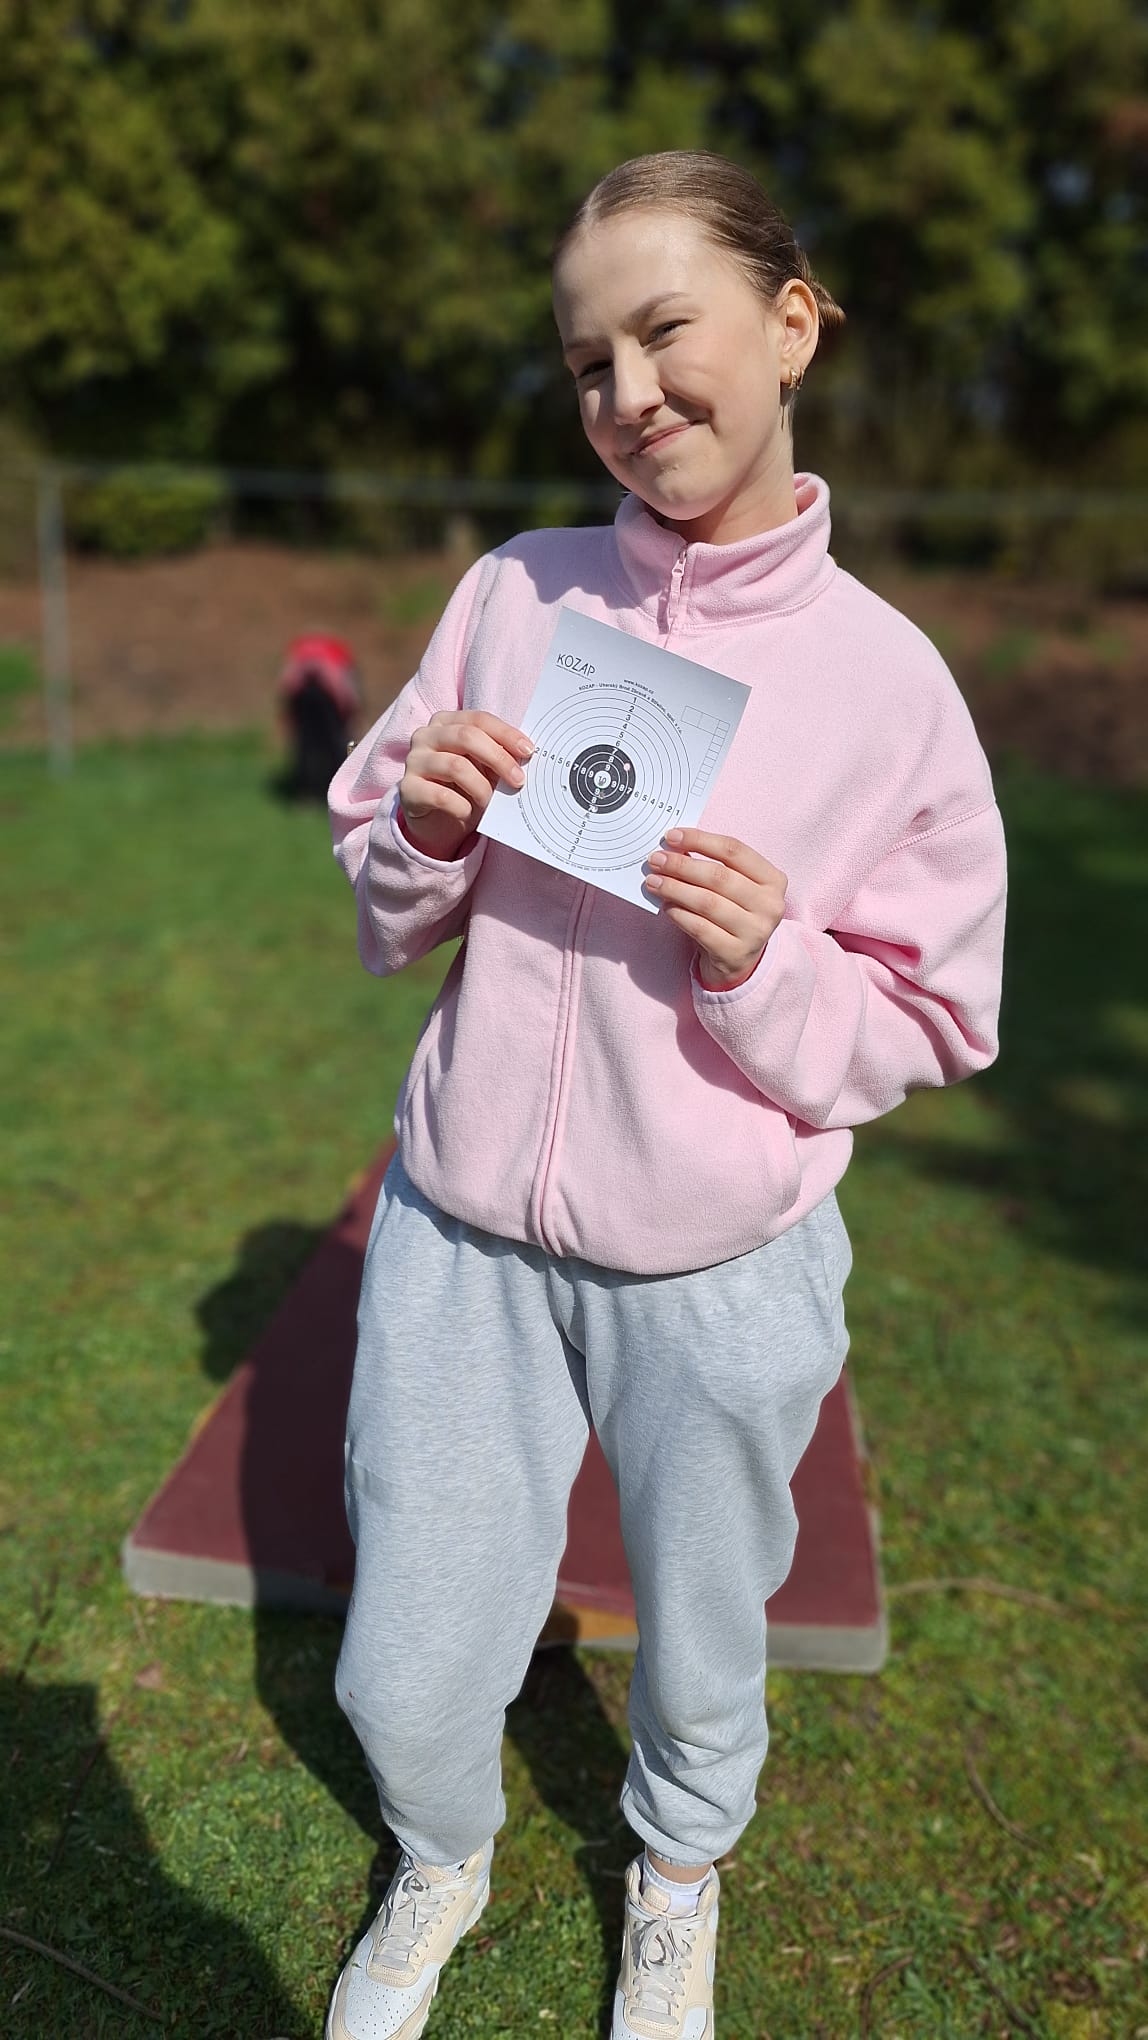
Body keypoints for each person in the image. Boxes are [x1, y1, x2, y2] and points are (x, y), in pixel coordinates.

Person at [323, 150, 1007, 2040]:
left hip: (721, 1269)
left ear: (791, 329)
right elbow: (378, 879)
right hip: (464, 1235)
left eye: (663, 331)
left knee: (708, 1630)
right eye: (584, 363)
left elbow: (936, 1012)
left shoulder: (891, 685)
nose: (626, 393)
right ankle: (439, 1853)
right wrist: (425, 830)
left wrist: (768, 963)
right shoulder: (515, 591)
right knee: (407, 1647)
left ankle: (679, 1874)